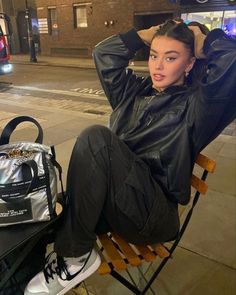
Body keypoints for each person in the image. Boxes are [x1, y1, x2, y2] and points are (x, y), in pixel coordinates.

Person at [24, 20, 236, 295]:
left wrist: (202, 38)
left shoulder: (197, 108)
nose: (158, 66)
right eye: (153, 55)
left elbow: (231, 60)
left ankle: (75, 258)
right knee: (48, 214)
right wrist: (140, 36)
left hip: (151, 214)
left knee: (96, 139)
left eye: (171, 58)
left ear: (189, 64)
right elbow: (104, 55)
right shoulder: (133, 93)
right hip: (120, 200)